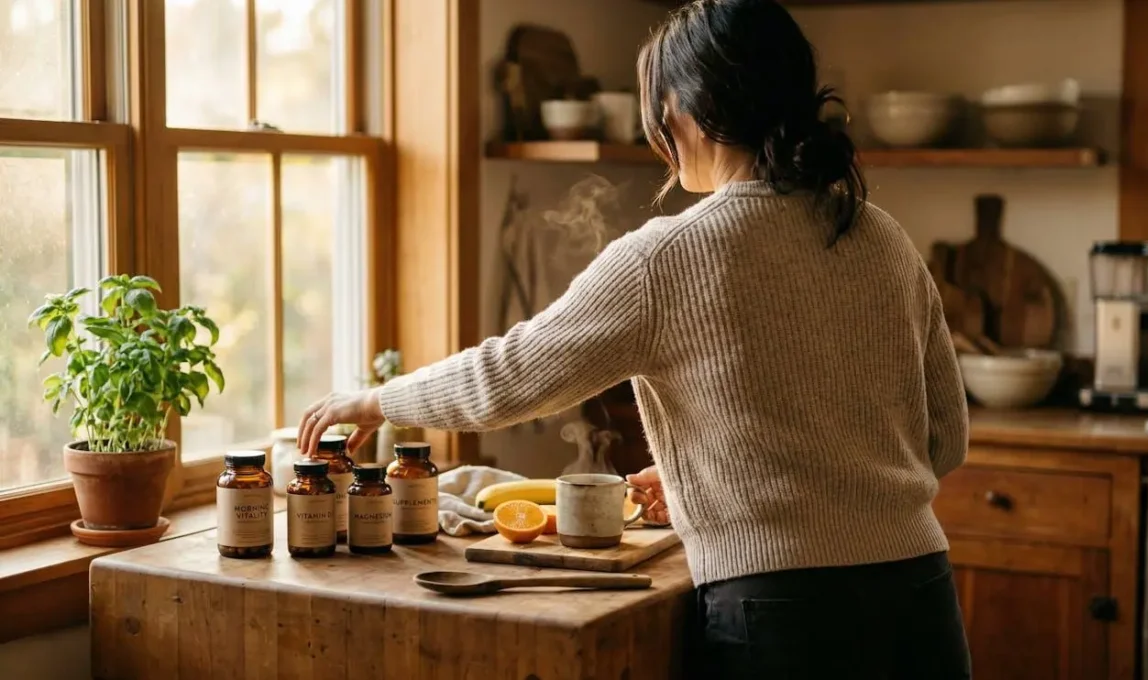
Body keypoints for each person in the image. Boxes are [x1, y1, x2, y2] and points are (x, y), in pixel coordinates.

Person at [296, 0, 971, 676]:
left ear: (684, 111)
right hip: (921, 597)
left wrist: (376, 400)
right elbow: (944, 439)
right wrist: (713, 485)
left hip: (782, 614)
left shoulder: (666, 258)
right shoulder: (879, 234)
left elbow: (510, 375)